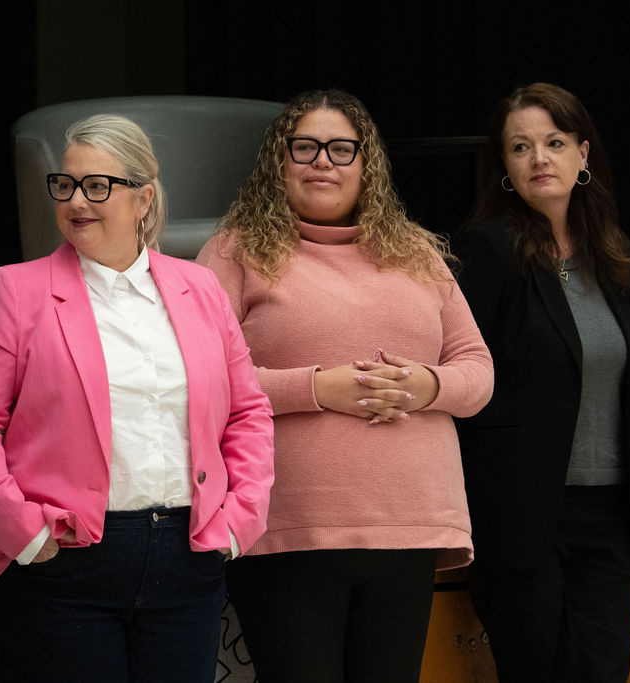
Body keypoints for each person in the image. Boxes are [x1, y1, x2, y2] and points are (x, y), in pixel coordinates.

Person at [0, 114, 275, 683]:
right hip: (63, 562)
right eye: (65, 184)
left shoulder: (198, 287)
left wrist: (238, 521)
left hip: (186, 556)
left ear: (143, 197)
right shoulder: (16, 289)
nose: (77, 201)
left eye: (97, 186)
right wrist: (24, 534)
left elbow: (247, 412)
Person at [196, 88, 494, 682]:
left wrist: (425, 385)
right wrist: (317, 389)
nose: (322, 161)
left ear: (367, 164)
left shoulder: (416, 252)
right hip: (286, 527)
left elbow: (478, 369)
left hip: (407, 523)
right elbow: (200, 378)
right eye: (304, 147)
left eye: (340, 148)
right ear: (278, 162)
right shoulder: (234, 252)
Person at [453, 82, 630, 682]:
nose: (539, 158)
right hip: (524, 514)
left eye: (554, 142)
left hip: (611, 515)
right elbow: (461, 376)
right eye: (520, 146)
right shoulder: (489, 248)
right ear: (504, 166)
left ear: (583, 154)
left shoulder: (613, 257)